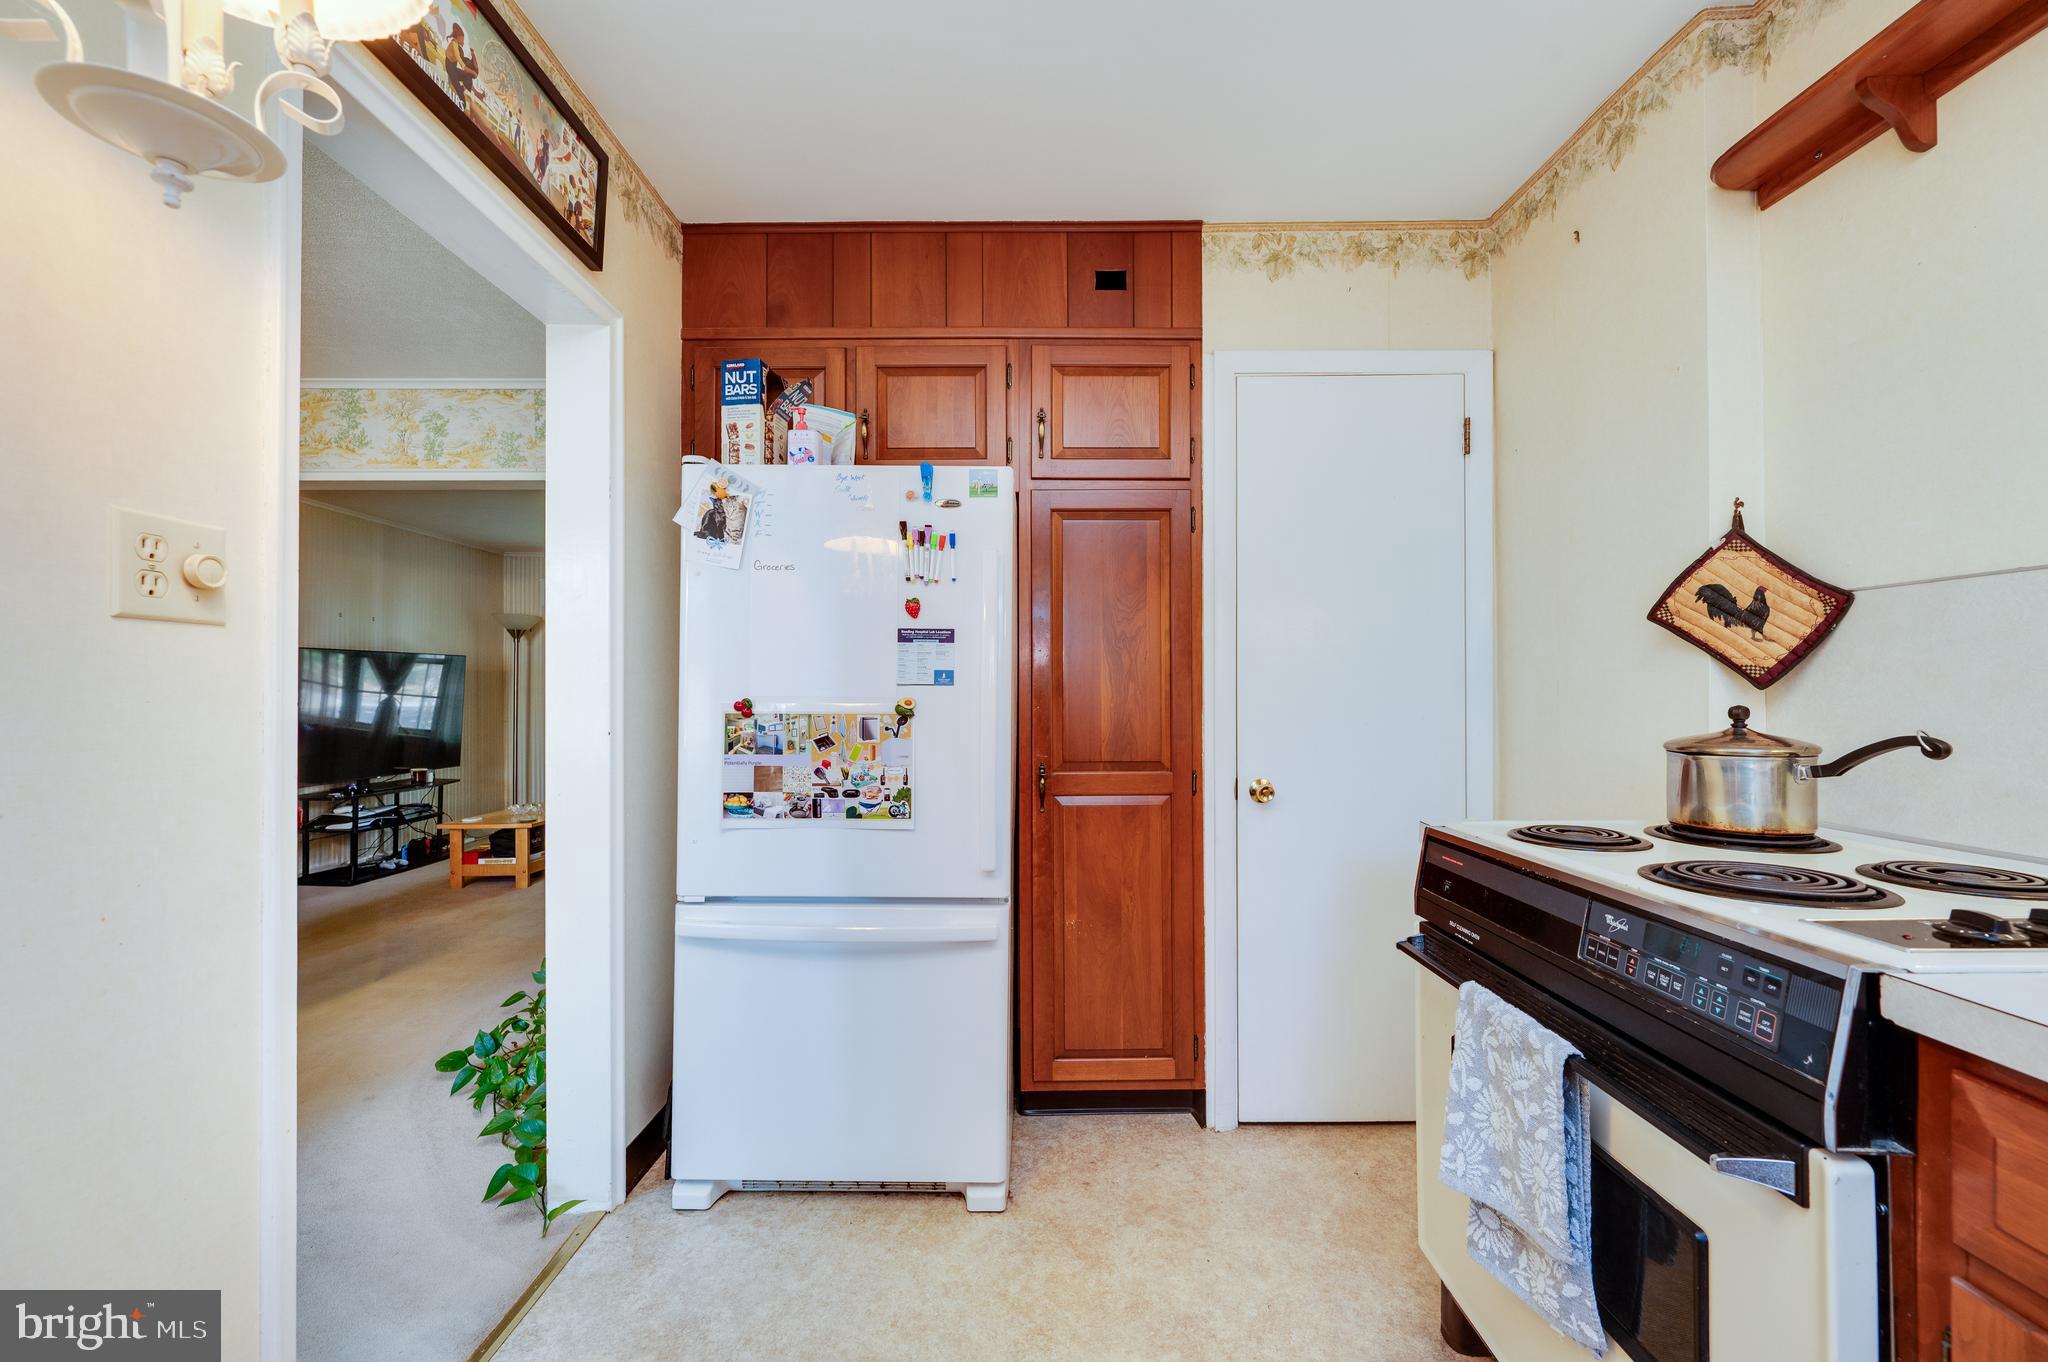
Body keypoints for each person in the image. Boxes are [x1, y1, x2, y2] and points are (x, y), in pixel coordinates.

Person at [444, 22, 479, 110]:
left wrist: (472, 55)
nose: (463, 41)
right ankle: (461, 106)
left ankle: (460, 88)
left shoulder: (458, 46)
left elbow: (463, 61)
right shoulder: (454, 44)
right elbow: (460, 61)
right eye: (462, 39)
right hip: (450, 68)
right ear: (458, 38)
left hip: (454, 68)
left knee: (468, 78)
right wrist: (473, 72)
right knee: (460, 92)